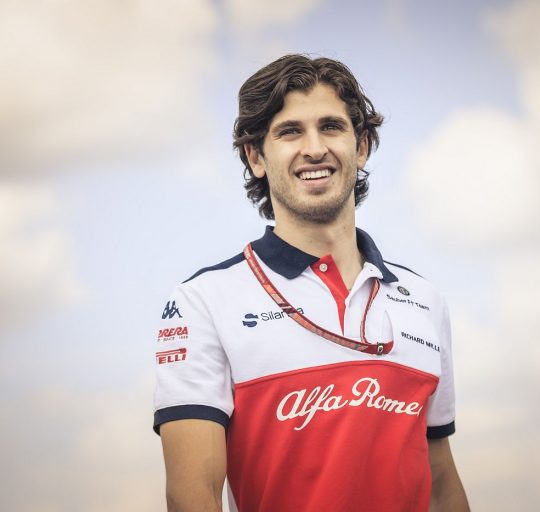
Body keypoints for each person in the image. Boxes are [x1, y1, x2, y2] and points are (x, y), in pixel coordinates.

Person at [153, 54, 469, 512]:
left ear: (361, 147)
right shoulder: (201, 301)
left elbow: (441, 483)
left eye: (331, 127)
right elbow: (192, 494)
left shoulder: (425, 301)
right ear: (256, 157)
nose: (315, 148)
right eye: (290, 131)